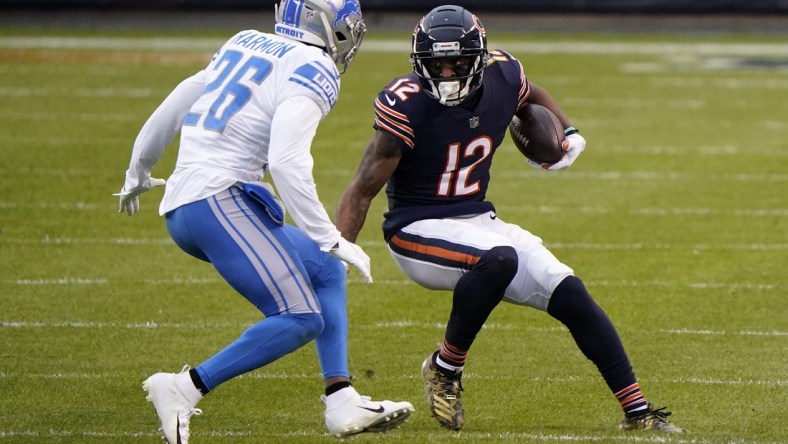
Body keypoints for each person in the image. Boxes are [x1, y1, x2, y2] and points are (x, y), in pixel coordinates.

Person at [334, 4, 686, 435]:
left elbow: (531, 93)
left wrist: (567, 131)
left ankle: (638, 413)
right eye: (437, 64)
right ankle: (445, 370)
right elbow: (361, 189)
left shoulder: (502, 74)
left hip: (478, 219)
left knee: (568, 289)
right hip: (414, 228)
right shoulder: (404, 104)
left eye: (458, 63)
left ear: (479, 61)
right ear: (419, 62)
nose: (447, 74)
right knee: (499, 259)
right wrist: (334, 256)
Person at [114, 1, 414, 442]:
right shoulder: (314, 66)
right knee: (301, 316)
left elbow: (180, 98)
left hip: (192, 204)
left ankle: (341, 400)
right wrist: (329, 236)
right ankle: (184, 386)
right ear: (327, 25)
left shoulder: (244, 41)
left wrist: (138, 169)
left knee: (324, 270)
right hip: (219, 202)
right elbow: (286, 161)